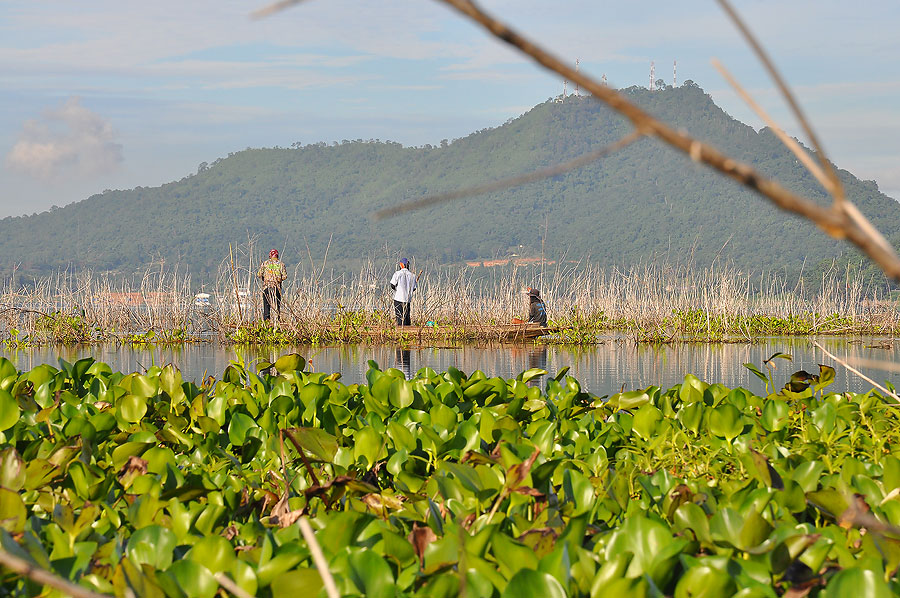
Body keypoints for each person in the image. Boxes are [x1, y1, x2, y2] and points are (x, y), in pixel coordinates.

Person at [256, 249, 286, 321]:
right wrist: (278, 279)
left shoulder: (265, 263)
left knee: (266, 307)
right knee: (277, 307)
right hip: (277, 288)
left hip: (267, 287)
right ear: (277, 255)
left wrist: (265, 279)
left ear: (270, 255)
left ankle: (267, 321)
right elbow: (285, 276)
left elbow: (259, 274)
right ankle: (277, 321)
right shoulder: (281, 264)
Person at [390, 258, 417, 326]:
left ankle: (401, 331)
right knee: (406, 317)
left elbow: (392, 285)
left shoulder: (397, 274)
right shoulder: (412, 276)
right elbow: (414, 288)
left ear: (401, 265)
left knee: (400, 317)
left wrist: (397, 289)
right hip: (407, 299)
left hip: (398, 298)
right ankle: (407, 330)